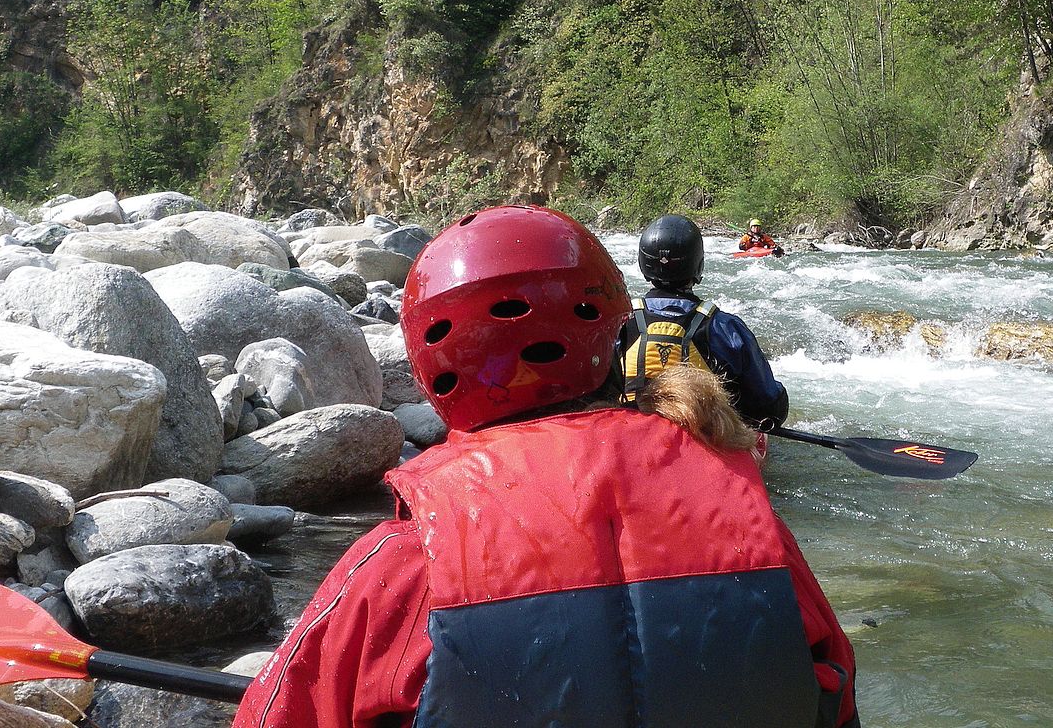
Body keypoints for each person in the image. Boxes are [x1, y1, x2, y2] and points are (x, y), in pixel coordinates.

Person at [233, 205, 858, 728]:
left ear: (433, 371)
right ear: (609, 335)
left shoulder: (404, 557)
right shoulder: (746, 517)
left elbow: (272, 714)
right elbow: (835, 687)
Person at [624, 213, 790, 429]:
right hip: (703, 434)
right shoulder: (725, 327)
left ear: (643, 264)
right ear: (698, 265)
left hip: (631, 429)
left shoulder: (619, 322)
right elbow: (768, 406)